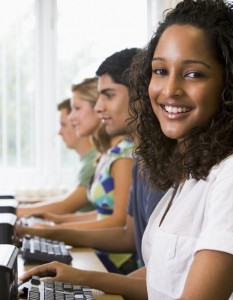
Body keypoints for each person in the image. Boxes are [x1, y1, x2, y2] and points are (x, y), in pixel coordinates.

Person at [19, 1, 233, 299]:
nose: (169, 90)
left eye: (193, 74)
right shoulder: (192, 172)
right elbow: (163, 283)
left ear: (230, 84)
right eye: (160, 71)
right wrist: (80, 277)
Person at [17, 48, 164, 272]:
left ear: (140, 93)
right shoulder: (139, 161)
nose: (98, 107)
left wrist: (53, 228)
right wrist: (53, 226)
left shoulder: (132, 157)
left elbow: (122, 228)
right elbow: (128, 234)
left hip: (125, 267)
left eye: (109, 95)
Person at [17, 98, 97, 215]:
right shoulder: (85, 160)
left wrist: (11, 211)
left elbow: (64, 207)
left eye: (63, 125)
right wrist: (25, 203)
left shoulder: (93, 162)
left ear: (77, 123)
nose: (59, 132)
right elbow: (66, 199)